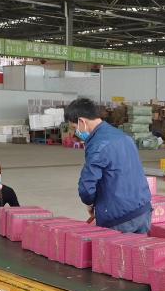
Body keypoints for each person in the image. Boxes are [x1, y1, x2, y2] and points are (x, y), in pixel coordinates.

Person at [65, 98, 152, 234]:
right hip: (143, 211)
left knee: (116, 249)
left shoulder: (97, 144)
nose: (75, 133)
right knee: (139, 248)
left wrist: (90, 203)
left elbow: (86, 187)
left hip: (120, 218)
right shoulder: (124, 137)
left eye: (74, 128)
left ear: (82, 121)